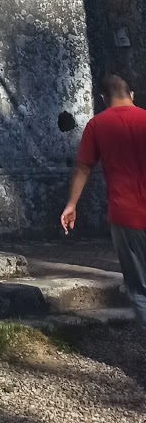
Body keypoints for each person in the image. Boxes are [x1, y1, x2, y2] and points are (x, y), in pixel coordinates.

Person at [61, 71, 146, 327]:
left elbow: (83, 167)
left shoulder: (97, 125)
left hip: (125, 214)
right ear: (132, 95)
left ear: (102, 98)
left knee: (138, 285)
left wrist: (71, 204)